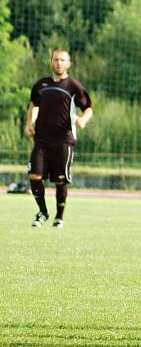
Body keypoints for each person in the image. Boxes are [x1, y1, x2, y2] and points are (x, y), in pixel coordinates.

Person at [25, 50, 93, 228]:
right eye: (55, 59)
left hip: (64, 140)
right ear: (51, 62)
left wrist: (82, 120)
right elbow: (34, 104)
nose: (58, 63)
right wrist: (29, 123)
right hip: (41, 140)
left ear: (68, 63)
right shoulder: (41, 85)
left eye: (62, 60)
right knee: (34, 175)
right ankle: (42, 212)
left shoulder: (73, 86)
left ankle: (59, 217)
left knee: (60, 180)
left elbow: (88, 108)